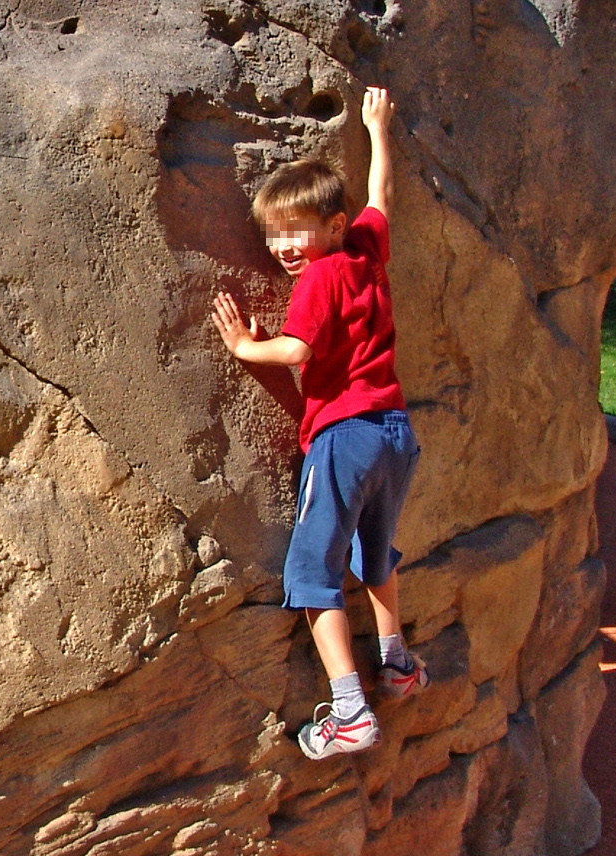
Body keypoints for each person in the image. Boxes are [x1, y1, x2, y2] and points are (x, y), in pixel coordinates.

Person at [210, 87, 429, 760]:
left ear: (333, 227)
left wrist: (248, 348)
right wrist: (378, 129)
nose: (283, 247)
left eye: (296, 231)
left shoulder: (320, 280)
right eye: (273, 234)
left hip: (343, 437)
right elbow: (381, 196)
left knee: (311, 575)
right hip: (394, 431)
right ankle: (396, 661)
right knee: (374, 551)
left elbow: (298, 352)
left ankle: (349, 709)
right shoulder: (364, 250)